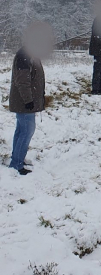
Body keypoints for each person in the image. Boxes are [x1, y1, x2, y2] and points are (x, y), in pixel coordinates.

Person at [8, 22, 54, 175]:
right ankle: (17, 165)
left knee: (21, 131)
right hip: (24, 102)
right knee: (26, 131)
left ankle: (17, 158)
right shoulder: (25, 55)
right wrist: (28, 100)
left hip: (25, 100)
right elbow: (22, 81)